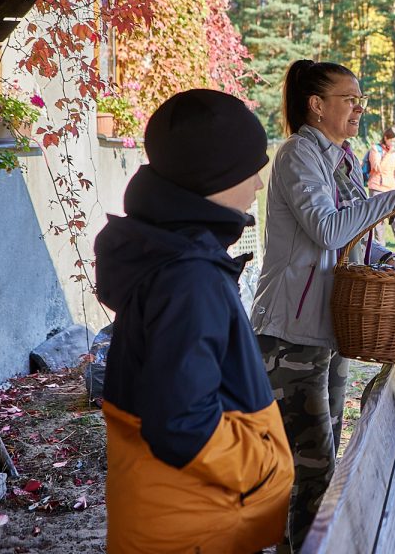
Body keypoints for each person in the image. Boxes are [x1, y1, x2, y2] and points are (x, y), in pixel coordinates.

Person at [96, 89, 292, 553]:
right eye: (251, 169)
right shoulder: (190, 276)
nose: (258, 185)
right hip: (192, 530)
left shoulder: (170, 250)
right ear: (214, 176)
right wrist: (265, 463)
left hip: (173, 520)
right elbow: (182, 422)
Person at [251, 60, 395, 553]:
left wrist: (386, 257)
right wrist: (394, 198)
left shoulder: (342, 157)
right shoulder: (297, 157)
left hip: (329, 333)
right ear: (316, 105)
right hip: (289, 334)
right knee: (309, 471)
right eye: (349, 98)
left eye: (361, 99)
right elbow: (328, 229)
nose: (360, 107)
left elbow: (349, 241)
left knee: (320, 467)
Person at [366, 126, 395, 255]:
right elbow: (377, 168)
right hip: (378, 188)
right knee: (379, 221)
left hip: (393, 189)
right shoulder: (376, 150)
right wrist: (390, 153)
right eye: (393, 140)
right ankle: (380, 249)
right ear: (386, 138)